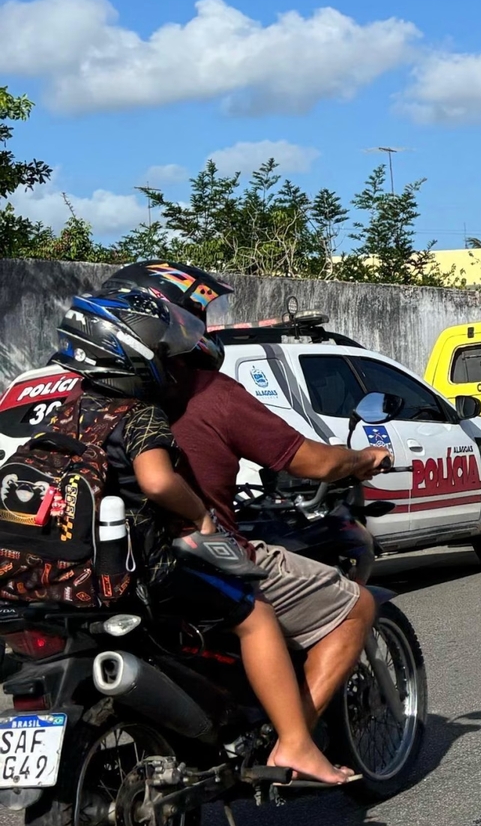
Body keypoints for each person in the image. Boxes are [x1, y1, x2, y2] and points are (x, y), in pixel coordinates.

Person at [54, 285, 369, 786]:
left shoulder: (68, 408)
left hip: (82, 569)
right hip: (159, 562)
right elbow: (159, 481)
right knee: (266, 611)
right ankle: (296, 743)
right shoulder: (146, 411)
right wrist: (201, 514)